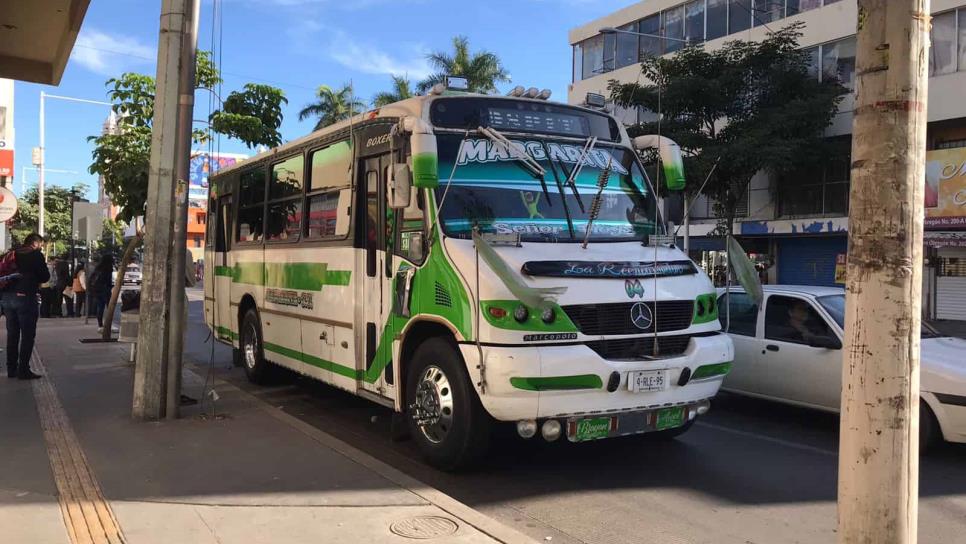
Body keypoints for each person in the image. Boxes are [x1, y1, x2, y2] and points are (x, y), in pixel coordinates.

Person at [2, 233, 50, 379]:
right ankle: (23, 370)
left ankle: (11, 369)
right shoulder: (35, 255)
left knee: (12, 334)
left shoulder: (10, 254)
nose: (40, 248)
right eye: (40, 245)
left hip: (7, 298)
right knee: (28, 335)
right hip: (25, 298)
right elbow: (45, 277)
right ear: (35, 244)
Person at [90, 254, 114, 332]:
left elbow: (92, 278)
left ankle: (100, 325)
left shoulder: (98, 267)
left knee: (100, 307)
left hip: (97, 290)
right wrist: (111, 286)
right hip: (105, 290)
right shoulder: (108, 268)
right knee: (109, 308)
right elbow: (108, 280)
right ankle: (109, 325)